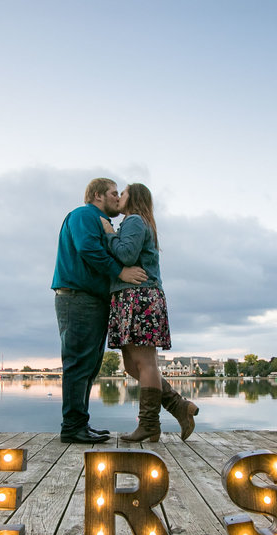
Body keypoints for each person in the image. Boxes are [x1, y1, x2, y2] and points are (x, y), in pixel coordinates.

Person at [52, 178, 147, 444]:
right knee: (78, 363)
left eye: (120, 194)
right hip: (78, 298)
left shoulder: (99, 220)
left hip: (90, 299)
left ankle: (79, 423)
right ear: (97, 196)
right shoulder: (84, 215)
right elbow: (87, 249)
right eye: (114, 193)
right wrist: (120, 272)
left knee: (90, 365)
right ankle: (72, 426)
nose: (118, 198)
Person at [102, 183, 199, 442]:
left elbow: (126, 254)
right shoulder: (139, 221)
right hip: (135, 296)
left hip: (139, 296)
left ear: (133, 198)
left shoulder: (134, 220)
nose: (119, 196)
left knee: (145, 364)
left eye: (122, 193)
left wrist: (110, 233)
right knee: (133, 366)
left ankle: (149, 425)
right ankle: (178, 406)